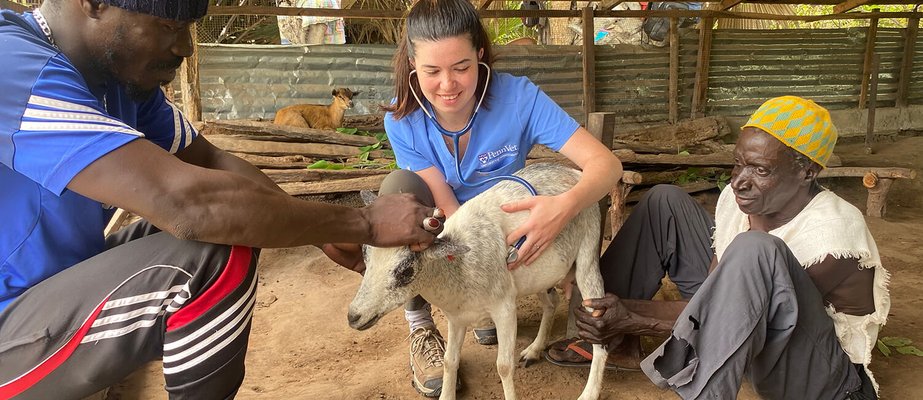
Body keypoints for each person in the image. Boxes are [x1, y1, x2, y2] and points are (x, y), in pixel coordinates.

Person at [0, 1, 444, 399]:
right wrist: (362, 223)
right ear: (94, 4)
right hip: (11, 325)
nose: (186, 49)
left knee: (233, 224)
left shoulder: (119, 83)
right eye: (168, 25)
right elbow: (190, 206)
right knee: (211, 254)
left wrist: (318, 232)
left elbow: (212, 160)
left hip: (52, 288)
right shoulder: (12, 65)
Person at [324, 0, 622, 396]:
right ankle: (421, 328)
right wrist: (474, 273)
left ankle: (479, 306)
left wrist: (562, 210)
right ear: (412, 63)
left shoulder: (518, 98)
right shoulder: (402, 121)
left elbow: (606, 166)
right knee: (398, 188)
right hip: (454, 227)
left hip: (503, 222)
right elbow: (448, 206)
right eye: (432, 71)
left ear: (480, 54)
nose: (448, 85)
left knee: (487, 318)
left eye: (461, 67)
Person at [554, 96, 888, 399]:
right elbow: (708, 300)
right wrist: (621, 312)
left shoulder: (830, 237)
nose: (740, 181)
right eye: (738, 163)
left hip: (815, 374)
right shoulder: (738, 198)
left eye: (760, 170)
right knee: (664, 202)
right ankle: (615, 342)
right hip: (744, 320)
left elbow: (739, 322)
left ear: (807, 172)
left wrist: (635, 318)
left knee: (755, 249)